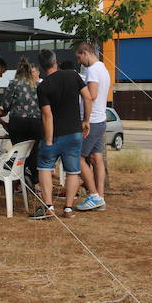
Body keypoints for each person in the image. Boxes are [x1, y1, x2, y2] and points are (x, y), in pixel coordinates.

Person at [30, 49, 92, 220]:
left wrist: (48, 140)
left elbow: (47, 115)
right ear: (55, 62)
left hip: (54, 135)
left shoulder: (43, 87)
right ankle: (68, 209)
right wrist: (86, 120)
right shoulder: (73, 76)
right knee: (72, 171)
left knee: (44, 168)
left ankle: (49, 207)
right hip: (74, 132)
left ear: (42, 67)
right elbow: (87, 98)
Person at [74, 43, 110, 212]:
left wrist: (85, 120)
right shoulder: (103, 67)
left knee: (78, 158)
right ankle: (100, 197)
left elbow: (91, 96)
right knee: (97, 158)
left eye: (79, 57)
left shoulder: (93, 70)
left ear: (85, 53)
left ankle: (94, 195)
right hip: (100, 119)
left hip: (92, 121)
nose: (79, 61)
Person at [0, 57, 43, 183]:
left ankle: (21, 178)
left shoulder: (14, 83)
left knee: (19, 151)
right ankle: (35, 179)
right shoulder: (39, 85)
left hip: (18, 122)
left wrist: (3, 112)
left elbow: (6, 105)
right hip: (36, 122)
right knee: (34, 151)